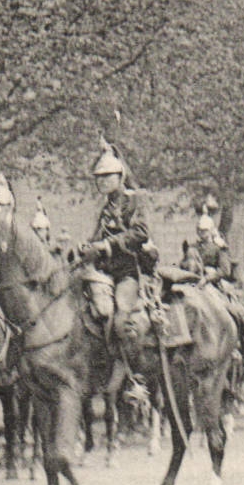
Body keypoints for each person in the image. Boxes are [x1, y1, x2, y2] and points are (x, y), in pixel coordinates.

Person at [77, 143, 151, 340]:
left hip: (127, 272)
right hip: (101, 271)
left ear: (121, 176)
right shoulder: (104, 207)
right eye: (99, 177)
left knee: (121, 323)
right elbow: (97, 236)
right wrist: (88, 246)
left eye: (108, 176)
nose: (102, 181)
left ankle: (130, 368)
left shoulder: (134, 200)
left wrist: (108, 244)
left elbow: (141, 232)